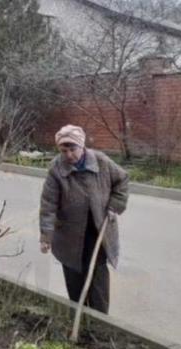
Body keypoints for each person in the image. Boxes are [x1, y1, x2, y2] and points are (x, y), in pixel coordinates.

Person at [39, 125, 129, 313]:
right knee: (74, 276)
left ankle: (99, 322)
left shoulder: (101, 162)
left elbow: (122, 180)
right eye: (64, 150)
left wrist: (115, 205)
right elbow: (48, 204)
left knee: (98, 279)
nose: (69, 155)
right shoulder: (57, 168)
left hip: (98, 230)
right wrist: (46, 236)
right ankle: (78, 316)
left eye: (73, 149)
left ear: (82, 146)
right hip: (69, 235)